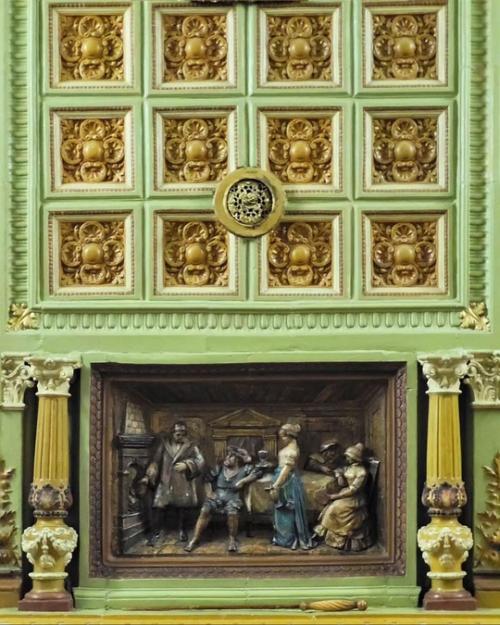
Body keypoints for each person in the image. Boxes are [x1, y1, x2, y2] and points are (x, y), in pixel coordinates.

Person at [184, 446, 257, 553]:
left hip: (233, 497)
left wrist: (243, 481)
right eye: (227, 456)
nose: (227, 458)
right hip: (217, 496)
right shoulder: (219, 468)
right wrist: (209, 492)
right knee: (205, 510)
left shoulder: (244, 469)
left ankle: (232, 539)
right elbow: (207, 479)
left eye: (231, 457)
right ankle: (195, 539)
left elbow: (257, 473)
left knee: (232, 512)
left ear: (237, 460)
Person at [142, 421, 205, 544]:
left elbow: (201, 461)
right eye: (177, 432)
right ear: (172, 432)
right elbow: (155, 461)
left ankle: (182, 530)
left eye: (182, 432)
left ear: (185, 433)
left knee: (182, 507)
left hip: (183, 481)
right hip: (165, 480)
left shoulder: (191, 445)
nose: (179, 434)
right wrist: (148, 475)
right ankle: (157, 532)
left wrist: (187, 465)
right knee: (160, 507)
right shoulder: (164, 444)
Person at [312, 442, 373, 552]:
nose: (346, 458)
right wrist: (339, 475)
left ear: (355, 458)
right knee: (330, 507)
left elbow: (353, 490)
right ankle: (322, 531)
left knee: (334, 508)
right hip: (346, 494)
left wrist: (335, 496)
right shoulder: (350, 467)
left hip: (354, 498)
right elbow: (341, 474)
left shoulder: (362, 472)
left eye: (348, 457)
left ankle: (324, 531)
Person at [267, 423, 312, 550]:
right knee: (280, 510)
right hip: (281, 478)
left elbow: (286, 470)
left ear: (290, 436)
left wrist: (276, 485)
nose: (282, 439)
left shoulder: (292, 451)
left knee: (286, 509)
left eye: (283, 436)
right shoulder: (288, 448)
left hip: (287, 482)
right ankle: (282, 538)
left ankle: (288, 540)